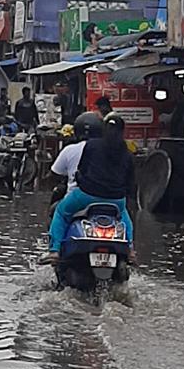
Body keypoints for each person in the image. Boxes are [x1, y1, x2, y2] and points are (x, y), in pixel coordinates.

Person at [42, 113, 135, 264]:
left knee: (60, 212)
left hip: (87, 195)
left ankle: (54, 251)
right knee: (125, 217)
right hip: (116, 200)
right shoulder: (127, 152)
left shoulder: (92, 145)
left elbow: (82, 169)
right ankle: (130, 249)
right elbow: (130, 182)